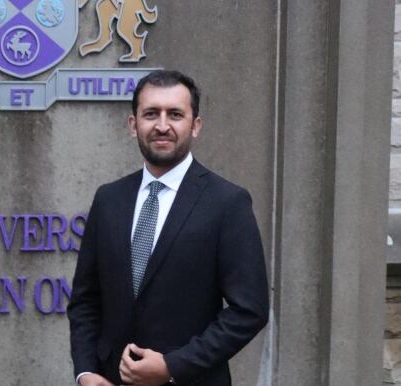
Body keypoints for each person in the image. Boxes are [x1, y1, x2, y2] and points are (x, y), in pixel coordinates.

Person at [67, 70, 269, 386]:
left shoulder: (228, 203)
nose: (162, 125)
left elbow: (249, 311)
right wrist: (86, 372)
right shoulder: (109, 199)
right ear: (133, 125)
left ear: (195, 125)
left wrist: (173, 366)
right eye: (151, 114)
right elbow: (85, 301)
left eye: (175, 114)